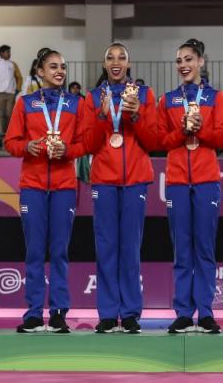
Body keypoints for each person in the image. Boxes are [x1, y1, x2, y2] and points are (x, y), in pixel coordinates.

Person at [80, 42, 158, 334]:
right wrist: (102, 117)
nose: (116, 62)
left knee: (130, 249)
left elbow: (153, 142)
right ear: (104, 65)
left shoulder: (144, 94)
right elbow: (88, 144)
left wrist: (137, 115)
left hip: (135, 179)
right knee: (106, 248)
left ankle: (131, 314)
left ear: (128, 63)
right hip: (104, 180)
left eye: (121, 57)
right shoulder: (92, 98)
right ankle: (109, 314)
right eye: (110, 58)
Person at [6, 48, 86, 333]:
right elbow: (10, 142)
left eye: (62, 66)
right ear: (40, 72)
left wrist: (68, 150)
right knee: (36, 251)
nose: (59, 71)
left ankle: (60, 312)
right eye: (53, 67)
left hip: (64, 185)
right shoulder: (24, 103)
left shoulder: (77, 103)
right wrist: (27, 146)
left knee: (60, 251)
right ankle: (33, 312)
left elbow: (85, 144)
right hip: (33, 185)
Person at [158, 39, 223, 334]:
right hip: (177, 183)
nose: (183, 65)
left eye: (188, 59)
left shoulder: (217, 98)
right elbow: (160, 141)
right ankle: (184, 313)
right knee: (182, 250)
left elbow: (220, 139)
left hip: (207, 180)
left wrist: (201, 129)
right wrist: (182, 130)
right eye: (179, 60)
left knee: (205, 249)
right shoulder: (167, 100)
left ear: (201, 63)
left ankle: (206, 312)